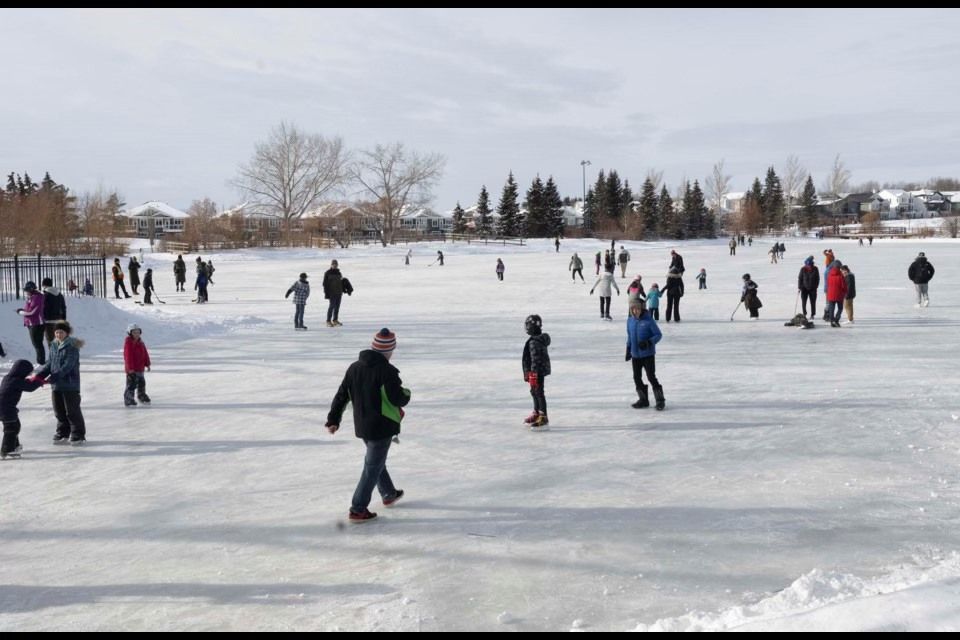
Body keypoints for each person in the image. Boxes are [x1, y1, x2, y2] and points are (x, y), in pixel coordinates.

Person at [325, 328, 410, 523]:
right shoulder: (387, 371)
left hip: (363, 425)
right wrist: (407, 393)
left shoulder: (354, 367)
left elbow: (341, 394)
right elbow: (398, 398)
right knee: (372, 467)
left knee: (376, 462)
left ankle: (388, 493)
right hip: (382, 426)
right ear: (388, 350)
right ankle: (358, 508)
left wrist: (333, 419)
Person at [35, 321, 86, 445]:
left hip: (70, 384)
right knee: (59, 410)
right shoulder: (53, 345)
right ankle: (63, 432)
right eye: (57, 332)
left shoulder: (72, 346)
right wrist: (39, 375)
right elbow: (50, 363)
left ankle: (78, 434)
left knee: (72, 411)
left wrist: (55, 376)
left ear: (67, 333)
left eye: (61, 332)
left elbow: (68, 365)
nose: (58, 334)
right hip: (56, 385)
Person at [1, 359, 47, 459]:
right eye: (28, 373)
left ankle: (15, 446)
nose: (29, 374)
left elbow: (24, 383)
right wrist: (39, 381)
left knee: (16, 425)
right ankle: (7, 450)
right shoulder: (16, 381)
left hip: (6, 408)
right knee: (11, 428)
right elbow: (30, 387)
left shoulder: (8, 378)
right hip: (6, 409)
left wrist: (32, 380)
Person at [625, 298, 665, 410]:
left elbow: (658, 335)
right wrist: (628, 349)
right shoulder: (630, 321)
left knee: (651, 376)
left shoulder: (649, 321)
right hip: (635, 355)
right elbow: (629, 336)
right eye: (632, 309)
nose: (634, 311)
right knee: (636, 377)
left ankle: (660, 400)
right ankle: (643, 400)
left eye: (636, 309)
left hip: (648, 355)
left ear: (641, 308)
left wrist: (649, 342)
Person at [521, 314, 551, 428]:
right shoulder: (535, 340)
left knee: (539, 392)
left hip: (536, 372)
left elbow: (536, 359)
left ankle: (543, 415)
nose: (526, 328)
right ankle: (536, 412)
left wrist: (533, 374)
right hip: (535, 371)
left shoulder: (534, 342)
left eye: (528, 325)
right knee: (534, 391)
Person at [16, 281, 45, 365]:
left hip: (36, 324)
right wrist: (22, 310)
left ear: (31, 289)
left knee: (37, 344)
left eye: (27, 290)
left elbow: (32, 312)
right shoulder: (32, 297)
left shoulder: (37, 297)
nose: (26, 292)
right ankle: (41, 362)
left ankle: (41, 362)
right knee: (37, 343)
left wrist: (20, 312)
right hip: (33, 323)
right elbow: (28, 309)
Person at [123, 323, 151, 407]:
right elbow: (128, 356)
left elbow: (145, 353)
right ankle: (129, 399)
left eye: (138, 332)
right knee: (131, 384)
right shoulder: (129, 343)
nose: (137, 334)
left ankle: (141, 395)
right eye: (134, 332)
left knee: (142, 383)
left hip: (140, 368)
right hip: (132, 369)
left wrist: (147, 364)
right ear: (130, 333)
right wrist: (130, 368)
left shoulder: (141, 342)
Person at [41, 277, 67, 346]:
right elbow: (64, 308)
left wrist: (42, 319)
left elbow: (43, 308)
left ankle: (54, 356)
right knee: (59, 341)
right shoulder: (60, 295)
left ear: (44, 285)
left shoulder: (45, 295)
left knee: (51, 342)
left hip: (48, 322)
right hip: (59, 321)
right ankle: (60, 356)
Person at [825, 259, 848, 327]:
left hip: (831, 295)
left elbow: (828, 284)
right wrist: (845, 292)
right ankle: (836, 320)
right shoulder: (840, 276)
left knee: (832, 309)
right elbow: (844, 286)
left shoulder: (829, 275)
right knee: (840, 308)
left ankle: (832, 321)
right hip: (839, 295)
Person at [323, 259, 345, 327]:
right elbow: (324, 284)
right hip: (331, 293)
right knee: (331, 306)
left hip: (339, 292)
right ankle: (328, 321)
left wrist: (344, 288)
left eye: (336, 264)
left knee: (337, 307)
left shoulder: (339, 273)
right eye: (333, 264)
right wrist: (326, 293)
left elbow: (341, 282)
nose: (335, 265)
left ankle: (335, 320)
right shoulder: (327, 273)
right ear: (331, 265)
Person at [822, 249, 838, 320]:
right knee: (830, 303)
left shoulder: (830, 256)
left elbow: (825, 253)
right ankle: (827, 315)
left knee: (828, 302)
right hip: (830, 289)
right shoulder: (829, 271)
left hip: (828, 288)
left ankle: (827, 315)